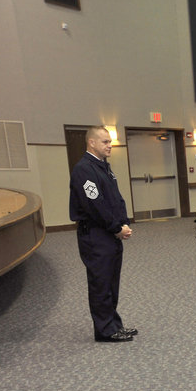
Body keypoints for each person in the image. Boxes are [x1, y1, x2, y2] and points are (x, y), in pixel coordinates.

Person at [68, 125, 136, 342]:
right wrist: (116, 228)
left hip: (109, 233)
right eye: (105, 141)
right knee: (101, 284)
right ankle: (105, 330)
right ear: (92, 143)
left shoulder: (103, 167)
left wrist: (123, 223)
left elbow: (116, 198)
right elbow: (95, 205)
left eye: (110, 141)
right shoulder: (84, 169)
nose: (110, 145)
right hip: (96, 235)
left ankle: (114, 324)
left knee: (111, 283)